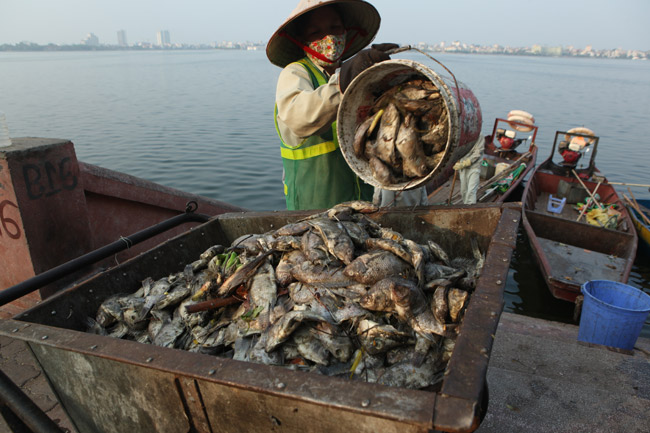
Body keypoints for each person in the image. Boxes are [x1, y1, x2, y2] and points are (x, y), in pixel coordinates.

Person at [267, 0, 408, 210]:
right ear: (301, 39)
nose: (329, 37)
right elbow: (300, 118)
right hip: (313, 212)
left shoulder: (355, 76)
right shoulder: (295, 74)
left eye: (335, 28)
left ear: (346, 31)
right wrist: (346, 80)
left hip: (361, 206)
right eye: (316, 31)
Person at [452, 136, 485, 204]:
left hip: (474, 167)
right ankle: (466, 206)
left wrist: (466, 163)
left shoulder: (479, 136)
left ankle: (470, 208)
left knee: (471, 191)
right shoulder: (463, 134)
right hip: (463, 168)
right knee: (464, 191)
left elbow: (477, 153)